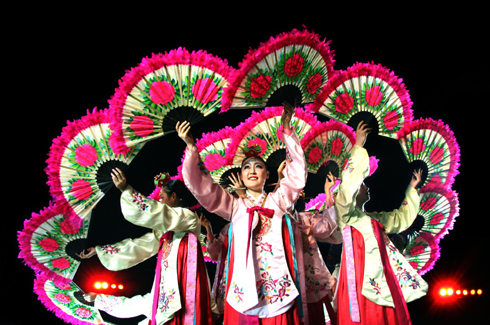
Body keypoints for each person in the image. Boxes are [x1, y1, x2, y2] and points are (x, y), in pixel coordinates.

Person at [178, 102, 306, 324]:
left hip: (277, 284)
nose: (252, 170)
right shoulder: (234, 205)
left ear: (267, 175)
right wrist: (191, 147)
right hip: (242, 288)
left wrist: (287, 129)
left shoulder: (279, 199)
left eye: (258, 166)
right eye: (246, 167)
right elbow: (203, 187)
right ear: (242, 176)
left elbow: (296, 176)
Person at [78, 174, 215, 325]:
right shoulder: (165, 230)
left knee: (169, 308)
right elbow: (141, 245)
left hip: (183, 275)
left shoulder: (188, 217)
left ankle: (98, 300)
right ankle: (99, 300)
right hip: (167, 276)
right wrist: (100, 250)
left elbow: (157, 212)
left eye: (162, 197)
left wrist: (126, 189)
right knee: (153, 303)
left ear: (174, 196)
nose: (160, 201)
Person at [334, 121, 428, 325]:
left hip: (383, 279)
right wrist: (358, 145)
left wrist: (413, 189)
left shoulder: (373, 218)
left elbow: (402, 218)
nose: (366, 187)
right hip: (360, 280)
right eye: (362, 184)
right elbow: (347, 188)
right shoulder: (346, 214)